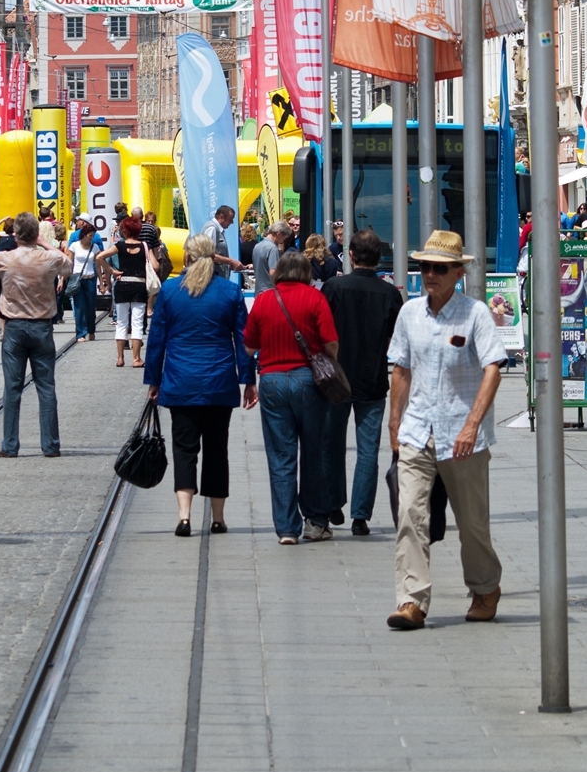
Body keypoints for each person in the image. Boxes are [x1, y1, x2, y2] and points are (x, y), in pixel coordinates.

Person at [385, 230, 507, 630]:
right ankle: (411, 601)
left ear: (459, 272)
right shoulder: (409, 313)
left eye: (439, 268)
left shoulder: (474, 314)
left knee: (472, 522)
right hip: (418, 430)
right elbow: (400, 369)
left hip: (462, 433)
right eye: (425, 267)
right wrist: (395, 423)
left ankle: (485, 587)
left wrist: (473, 424)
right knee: (409, 515)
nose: (430, 275)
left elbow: (493, 368)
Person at [145, 234, 258, 536]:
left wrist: (153, 380)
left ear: (187, 257)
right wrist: (248, 380)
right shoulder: (230, 292)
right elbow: (244, 340)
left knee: (184, 449)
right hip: (219, 382)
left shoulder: (170, 291)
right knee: (217, 449)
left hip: (180, 382)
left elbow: (157, 342)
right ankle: (218, 518)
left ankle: (184, 516)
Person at [243, 249, 339, 543]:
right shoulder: (315, 298)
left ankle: (286, 528)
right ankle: (315, 521)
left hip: (272, 381)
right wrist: (326, 360)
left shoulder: (263, 300)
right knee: (314, 451)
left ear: (280, 272)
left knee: (281, 456)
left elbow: (248, 347)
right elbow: (331, 342)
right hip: (308, 381)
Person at [322, 228, 403, 535]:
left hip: (336, 378)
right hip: (372, 378)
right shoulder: (390, 294)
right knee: (369, 449)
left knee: (332, 444)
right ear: (379, 257)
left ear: (351, 255)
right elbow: (398, 338)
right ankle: (361, 515)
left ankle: (333, 504)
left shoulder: (333, 287)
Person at [0, 212, 72, 457]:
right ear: (35, 234)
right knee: (46, 387)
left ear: (15, 235)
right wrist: (45, 243)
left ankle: (10, 445)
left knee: (12, 388)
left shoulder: (6, 258)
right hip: (41, 326)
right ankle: (51, 445)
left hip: (13, 326)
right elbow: (68, 267)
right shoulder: (48, 258)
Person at [97, 216, 161, 367]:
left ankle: (120, 358)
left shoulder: (118, 246)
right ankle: (136, 358)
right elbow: (156, 266)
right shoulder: (145, 246)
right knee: (137, 323)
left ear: (124, 230)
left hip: (122, 285)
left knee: (121, 322)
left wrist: (111, 270)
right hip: (139, 286)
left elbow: (99, 257)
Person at [67, 216, 103, 342]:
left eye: (93, 235)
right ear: (84, 234)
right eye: (89, 235)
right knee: (79, 307)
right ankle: (80, 333)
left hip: (90, 279)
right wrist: (63, 278)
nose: (91, 238)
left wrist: (102, 283)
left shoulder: (95, 248)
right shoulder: (74, 246)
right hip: (78, 279)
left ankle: (91, 330)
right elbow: (69, 263)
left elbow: (98, 266)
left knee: (91, 306)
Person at [201, 205, 243, 278]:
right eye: (230, 219)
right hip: (212, 279)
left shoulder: (217, 230)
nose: (232, 222)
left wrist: (229, 264)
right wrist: (231, 261)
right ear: (221, 217)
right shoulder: (212, 229)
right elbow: (209, 255)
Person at [252, 221, 292, 295]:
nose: (283, 241)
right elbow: (273, 272)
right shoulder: (273, 249)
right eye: (284, 238)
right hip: (270, 292)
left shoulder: (257, 246)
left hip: (258, 291)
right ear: (279, 234)